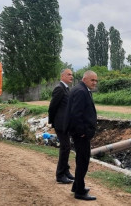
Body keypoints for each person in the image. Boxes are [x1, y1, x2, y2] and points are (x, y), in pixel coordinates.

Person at [66, 70, 98, 201]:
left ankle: (77, 185)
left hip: (80, 133)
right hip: (81, 134)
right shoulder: (81, 91)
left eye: (96, 80)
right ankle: (79, 191)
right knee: (83, 161)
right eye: (92, 80)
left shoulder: (79, 89)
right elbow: (76, 114)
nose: (95, 83)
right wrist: (82, 132)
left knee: (81, 160)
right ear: (85, 79)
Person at [48, 69, 74, 184]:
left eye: (72, 75)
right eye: (69, 74)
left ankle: (66, 171)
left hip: (66, 124)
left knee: (66, 147)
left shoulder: (67, 89)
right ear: (62, 76)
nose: (71, 76)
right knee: (65, 147)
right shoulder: (59, 88)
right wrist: (53, 123)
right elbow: (52, 107)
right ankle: (60, 175)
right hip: (60, 124)